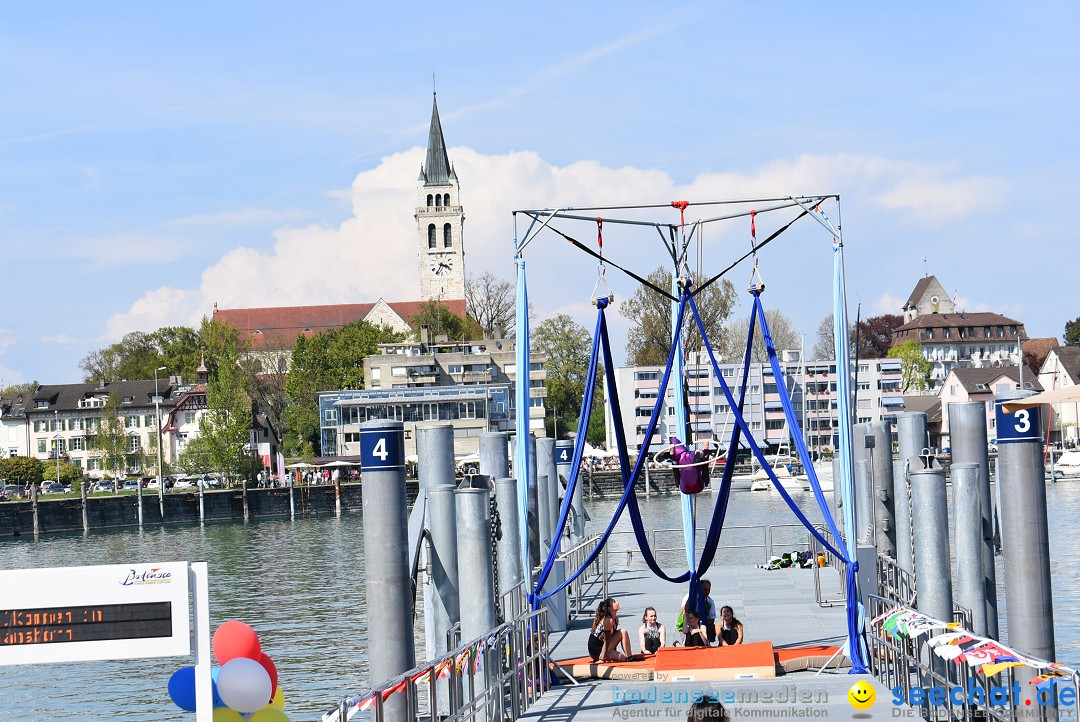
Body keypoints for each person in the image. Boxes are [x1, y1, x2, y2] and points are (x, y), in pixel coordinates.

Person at [588, 598, 631, 662]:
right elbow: (607, 640)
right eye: (614, 602)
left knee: (623, 631)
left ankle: (630, 657)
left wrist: (614, 652)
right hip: (597, 650)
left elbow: (613, 637)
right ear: (610, 608)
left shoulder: (615, 619)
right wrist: (602, 658)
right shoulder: (608, 620)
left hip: (605, 646)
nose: (618, 603)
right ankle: (602, 657)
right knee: (622, 659)